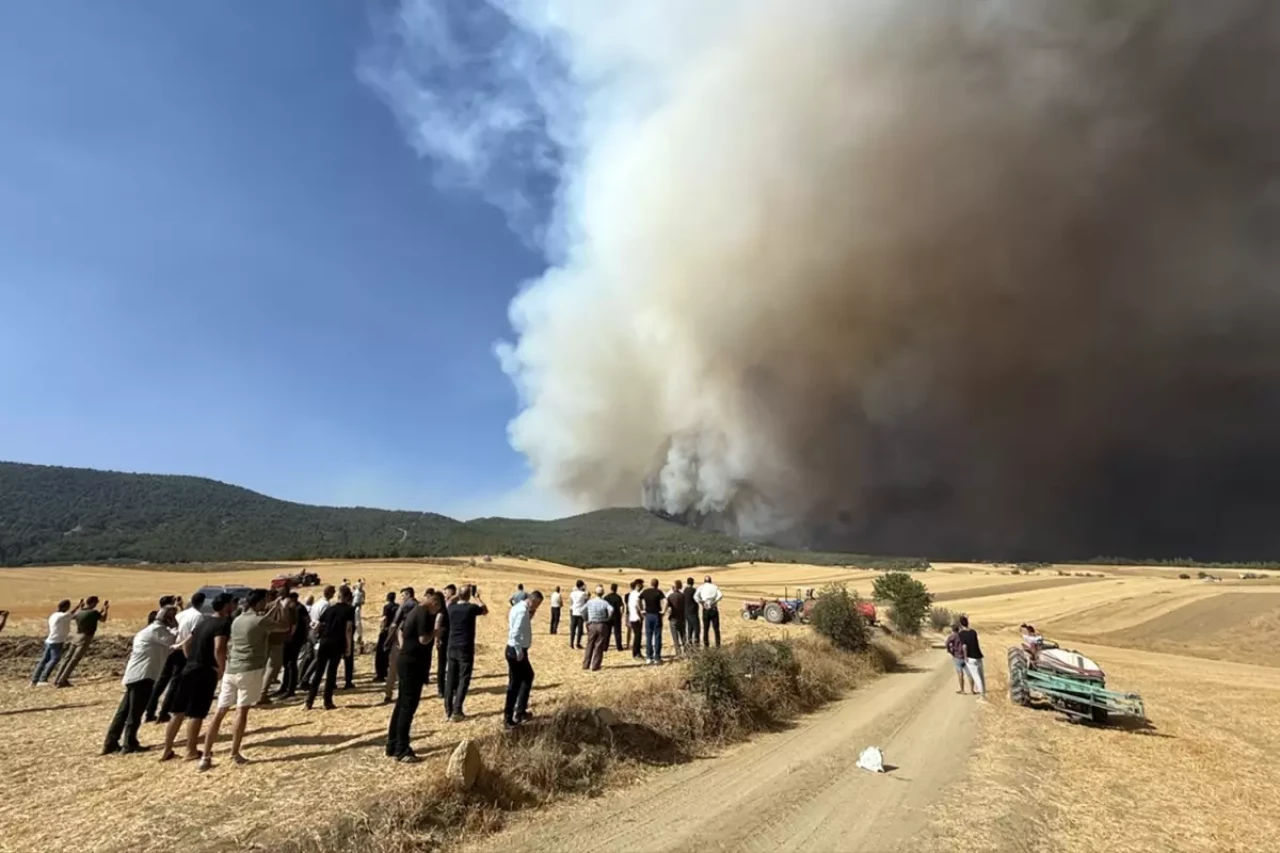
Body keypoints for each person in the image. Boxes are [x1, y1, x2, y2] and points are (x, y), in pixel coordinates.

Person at [200, 588, 293, 770]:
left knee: (220, 712)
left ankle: (205, 755)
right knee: (241, 712)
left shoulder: (237, 620)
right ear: (258, 602)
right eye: (265, 601)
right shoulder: (259, 621)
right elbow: (284, 625)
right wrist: (281, 605)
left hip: (231, 669)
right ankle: (234, 753)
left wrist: (272, 605)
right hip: (249, 670)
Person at [161, 593, 235, 763]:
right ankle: (191, 750)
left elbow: (186, 642)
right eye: (232, 603)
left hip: (189, 668)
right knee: (196, 713)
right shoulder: (223, 623)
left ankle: (167, 749)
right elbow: (219, 648)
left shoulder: (204, 621)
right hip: (205, 671)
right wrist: (221, 669)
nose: (234, 606)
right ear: (225, 606)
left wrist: (191, 659)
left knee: (177, 712)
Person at [104, 607, 178, 755]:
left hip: (135, 674)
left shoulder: (149, 632)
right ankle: (129, 743)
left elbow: (166, 649)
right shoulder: (156, 631)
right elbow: (172, 640)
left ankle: (111, 742)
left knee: (123, 711)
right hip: (143, 676)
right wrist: (176, 626)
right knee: (135, 711)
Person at [386, 591, 443, 762]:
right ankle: (402, 749)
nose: (437, 610)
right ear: (433, 602)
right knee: (408, 707)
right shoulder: (423, 613)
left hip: (405, 661)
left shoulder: (413, 611)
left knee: (401, 703)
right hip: (413, 665)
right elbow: (423, 639)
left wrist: (404, 648)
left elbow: (401, 631)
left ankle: (392, 744)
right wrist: (436, 633)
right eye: (438, 607)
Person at [146, 592, 204, 721]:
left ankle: (150, 711)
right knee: (175, 682)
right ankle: (164, 712)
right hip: (181, 649)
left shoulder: (181, 613)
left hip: (170, 648)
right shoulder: (198, 616)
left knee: (162, 681)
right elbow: (193, 635)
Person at [307, 585, 355, 711]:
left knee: (318, 672)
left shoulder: (330, 609)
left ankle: (309, 701)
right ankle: (327, 701)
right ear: (348, 596)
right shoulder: (350, 610)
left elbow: (318, 624)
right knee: (331, 673)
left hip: (324, 641)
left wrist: (316, 638)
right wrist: (348, 647)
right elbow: (348, 630)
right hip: (337, 642)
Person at [444, 585, 487, 721]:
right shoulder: (471, 608)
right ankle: (457, 711)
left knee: (450, 678)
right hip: (465, 648)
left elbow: (448, 602)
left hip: (451, 646)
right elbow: (485, 610)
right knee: (463, 679)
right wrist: (477, 598)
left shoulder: (451, 608)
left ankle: (448, 708)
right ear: (469, 596)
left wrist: (458, 594)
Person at [504, 590, 543, 730]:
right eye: (537, 604)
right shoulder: (522, 611)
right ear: (532, 601)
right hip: (516, 651)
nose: (536, 608)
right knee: (516, 684)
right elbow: (514, 632)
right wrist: (519, 650)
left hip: (515, 649)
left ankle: (520, 712)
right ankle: (510, 717)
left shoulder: (518, 607)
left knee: (525, 678)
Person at [53, 595, 109, 686]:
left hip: (75, 636)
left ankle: (57, 678)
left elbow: (86, 615)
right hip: (85, 637)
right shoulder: (94, 613)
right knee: (74, 660)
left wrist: (81, 607)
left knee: (67, 658)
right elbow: (103, 619)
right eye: (96, 603)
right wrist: (106, 610)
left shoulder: (81, 612)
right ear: (93, 603)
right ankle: (62, 680)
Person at [31, 598, 80, 686]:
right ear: (66, 607)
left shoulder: (54, 615)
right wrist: (83, 608)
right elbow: (76, 616)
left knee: (44, 660)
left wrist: (77, 607)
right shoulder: (63, 616)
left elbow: (69, 614)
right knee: (55, 659)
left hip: (50, 640)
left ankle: (34, 679)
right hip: (57, 641)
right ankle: (43, 679)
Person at [383, 587, 417, 704]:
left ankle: (388, 693)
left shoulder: (404, 606)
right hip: (414, 642)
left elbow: (394, 624)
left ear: (408, 595)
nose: (401, 599)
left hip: (400, 640)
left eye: (402, 596)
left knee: (393, 668)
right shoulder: (419, 606)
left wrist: (388, 640)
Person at [259, 591, 292, 704]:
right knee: (274, 666)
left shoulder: (268, 605)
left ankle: (260, 691)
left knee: (265, 665)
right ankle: (262, 693)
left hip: (265, 639)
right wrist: (284, 609)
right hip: (277, 639)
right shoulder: (285, 606)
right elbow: (286, 625)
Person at [276, 591, 310, 699]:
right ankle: (284, 686)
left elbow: (306, 622)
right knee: (286, 664)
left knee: (291, 664)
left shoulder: (300, 608)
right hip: (288, 639)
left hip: (296, 639)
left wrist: (305, 636)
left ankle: (291, 689)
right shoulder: (288, 609)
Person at [582, 585, 615, 671]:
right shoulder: (604, 603)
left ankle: (586, 664)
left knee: (589, 644)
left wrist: (586, 619)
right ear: (603, 593)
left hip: (592, 624)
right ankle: (595, 665)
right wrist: (608, 618)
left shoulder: (590, 602)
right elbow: (611, 609)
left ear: (595, 593)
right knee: (599, 645)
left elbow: (582, 610)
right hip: (601, 624)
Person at [436, 584, 457, 699]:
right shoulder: (445, 606)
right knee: (443, 664)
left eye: (447, 592)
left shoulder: (451, 604)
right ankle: (441, 688)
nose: (445, 595)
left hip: (450, 637)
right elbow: (438, 622)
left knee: (450, 664)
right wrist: (437, 638)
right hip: (445, 638)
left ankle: (448, 687)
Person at [958, 616, 986, 699]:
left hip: (970, 657)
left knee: (976, 676)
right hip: (978, 655)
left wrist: (965, 656)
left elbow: (964, 646)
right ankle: (983, 692)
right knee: (981, 676)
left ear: (960, 624)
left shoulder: (961, 634)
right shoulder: (973, 632)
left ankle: (982, 695)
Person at [639, 579, 666, 665]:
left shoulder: (645, 592)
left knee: (649, 637)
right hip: (657, 615)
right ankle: (657, 658)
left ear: (650, 584)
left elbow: (638, 600)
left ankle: (648, 657)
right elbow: (666, 601)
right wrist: (664, 611)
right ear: (657, 584)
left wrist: (641, 610)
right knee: (657, 636)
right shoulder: (658, 592)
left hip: (648, 615)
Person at [374, 591, 397, 682]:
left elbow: (384, 619)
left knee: (381, 652)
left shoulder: (387, 607)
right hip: (394, 631)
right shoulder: (397, 607)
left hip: (386, 631)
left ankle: (381, 674)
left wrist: (382, 628)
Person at [696, 576, 723, 648]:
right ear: (711, 581)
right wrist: (715, 601)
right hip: (714, 608)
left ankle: (706, 645)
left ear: (704, 581)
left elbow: (695, 596)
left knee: (705, 628)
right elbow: (720, 595)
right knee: (716, 628)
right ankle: (718, 645)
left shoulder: (701, 587)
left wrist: (702, 602)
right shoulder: (714, 587)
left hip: (706, 608)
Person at [945, 624, 972, 694]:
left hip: (957, 656)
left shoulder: (952, 636)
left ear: (952, 630)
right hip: (966, 656)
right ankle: (972, 690)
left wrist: (950, 651)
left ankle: (962, 690)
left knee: (960, 674)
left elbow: (947, 643)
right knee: (969, 674)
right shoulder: (963, 635)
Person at [666, 579, 687, 657]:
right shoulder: (683, 596)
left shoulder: (671, 596)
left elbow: (667, 605)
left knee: (675, 638)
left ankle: (678, 652)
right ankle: (686, 650)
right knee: (684, 636)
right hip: (682, 617)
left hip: (673, 618)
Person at [604, 583, 625, 652]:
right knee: (617, 632)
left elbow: (604, 607)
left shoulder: (606, 597)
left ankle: (605, 647)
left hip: (608, 617)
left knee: (607, 632)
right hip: (616, 616)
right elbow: (622, 607)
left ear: (611, 588)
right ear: (616, 589)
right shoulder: (618, 597)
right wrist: (621, 615)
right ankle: (619, 647)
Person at [568, 580, 589, 650]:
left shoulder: (572, 593)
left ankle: (571, 643)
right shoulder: (583, 594)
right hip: (580, 612)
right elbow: (587, 600)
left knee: (573, 629)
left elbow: (571, 602)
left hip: (574, 612)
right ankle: (578, 643)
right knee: (580, 629)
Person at [627, 579, 644, 659]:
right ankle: (636, 653)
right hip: (637, 618)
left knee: (637, 635)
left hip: (632, 617)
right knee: (638, 636)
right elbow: (637, 606)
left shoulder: (631, 594)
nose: (642, 586)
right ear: (638, 585)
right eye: (641, 584)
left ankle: (636, 652)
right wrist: (641, 615)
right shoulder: (637, 594)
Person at [682, 577, 700, 649]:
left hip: (686, 612)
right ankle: (696, 644)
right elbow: (697, 599)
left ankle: (689, 643)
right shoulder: (694, 590)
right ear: (693, 582)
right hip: (693, 612)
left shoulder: (685, 590)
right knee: (696, 628)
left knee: (690, 628)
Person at [352, 579, 367, 653]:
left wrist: (361, 602)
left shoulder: (363, 592)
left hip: (358, 607)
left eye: (361, 585)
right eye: (359, 585)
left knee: (358, 622)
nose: (360, 586)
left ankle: (359, 639)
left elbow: (364, 600)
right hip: (353, 607)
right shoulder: (355, 591)